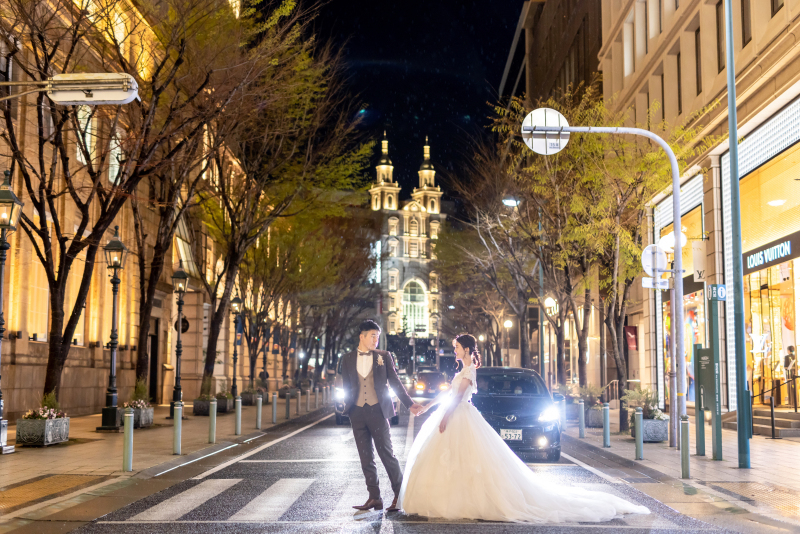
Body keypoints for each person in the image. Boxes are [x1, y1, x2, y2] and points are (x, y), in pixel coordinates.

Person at [398, 333, 650, 522]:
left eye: (456, 348)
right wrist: (428, 407)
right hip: (455, 415)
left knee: (468, 460)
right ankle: (453, 497)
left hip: (459, 416)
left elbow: (456, 398)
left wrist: (444, 417)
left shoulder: (469, 370)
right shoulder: (462, 370)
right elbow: (447, 395)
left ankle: (467, 500)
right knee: (454, 461)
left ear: (465, 349)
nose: (454, 351)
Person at [341, 320, 424, 512]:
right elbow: (346, 384)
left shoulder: (384, 356)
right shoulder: (347, 358)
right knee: (365, 457)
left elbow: (395, 382)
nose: (375, 340)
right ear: (361, 337)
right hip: (357, 412)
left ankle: (400, 495)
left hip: (378, 411)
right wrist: (348, 406)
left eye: (377, 337)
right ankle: (374, 497)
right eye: (372, 336)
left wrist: (409, 404)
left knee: (386, 454)